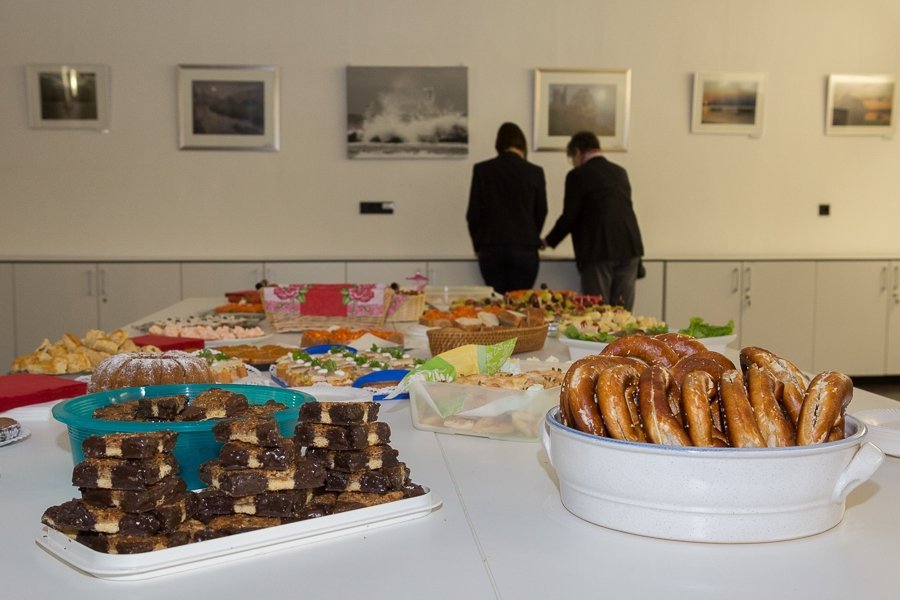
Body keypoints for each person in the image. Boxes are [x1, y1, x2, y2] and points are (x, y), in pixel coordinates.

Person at [541, 131, 644, 309]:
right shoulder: (620, 172)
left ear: (577, 152)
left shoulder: (577, 175)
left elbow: (570, 217)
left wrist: (548, 241)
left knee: (597, 311)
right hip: (630, 247)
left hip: (598, 250)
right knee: (623, 313)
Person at [466, 122, 548, 294]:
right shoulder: (535, 172)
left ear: (499, 144)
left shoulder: (482, 170)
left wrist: (478, 246)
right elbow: (542, 210)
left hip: (491, 248)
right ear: (523, 145)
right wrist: (531, 234)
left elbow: (473, 214)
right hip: (525, 249)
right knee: (521, 302)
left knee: (497, 302)